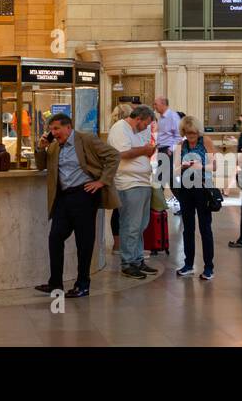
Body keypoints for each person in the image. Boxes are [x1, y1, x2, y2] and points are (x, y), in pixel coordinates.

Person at [33, 113, 120, 298]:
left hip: (84, 195)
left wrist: (102, 182)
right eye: (51, 129)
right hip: (63, 198)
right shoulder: (54, 146)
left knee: (84, 242)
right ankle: (55, 283)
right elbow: (41, 166)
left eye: (56, 128)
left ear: (68, 127)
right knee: (55, 238)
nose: (53, 133)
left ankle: (82, 284)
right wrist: (41, 148)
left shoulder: (85, 139)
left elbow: (113, 156)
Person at [107, 104, 157, 280]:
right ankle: (127, 263)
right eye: (146, 123)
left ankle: (137, 260)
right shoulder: (120, 129)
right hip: (128, 183)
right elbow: (121, 154)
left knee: (141, 225)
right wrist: (145, 150)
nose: (147, 127)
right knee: (131, 225)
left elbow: (143, 148)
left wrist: (147, 150)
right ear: (138, 119)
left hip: (143, 182)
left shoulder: (139, 130)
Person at [175, 114, 215, 279]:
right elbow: (175, 169)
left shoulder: (206, 141)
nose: (191, 137)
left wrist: (201, 166)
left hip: (203, 188)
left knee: (205, 228)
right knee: (188, 228)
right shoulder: (181, 145)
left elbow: (215, 165)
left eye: (193, 133)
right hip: (186, 188)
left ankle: (208, 267)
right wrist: (182, 167)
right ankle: (188, 264)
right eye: (187, 133)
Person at [153, 95, 181, 205]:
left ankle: (157, 201)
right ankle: (183, 199)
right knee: (168, 177)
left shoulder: (173, 117)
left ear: (163, 104)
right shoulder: (161, 118)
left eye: (156, 104)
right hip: (161, 149)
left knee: (161, 177)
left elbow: (179, 136)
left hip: (167, 150)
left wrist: (170, 149)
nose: (154, 106)